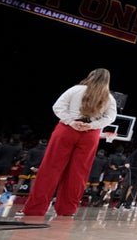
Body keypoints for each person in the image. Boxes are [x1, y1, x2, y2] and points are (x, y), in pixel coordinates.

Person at [19, 68, 117, 216]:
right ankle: (67, 210)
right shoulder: (109, 98)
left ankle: (34, 209)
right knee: (79, 173)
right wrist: (91, 125)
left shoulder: (76, 89)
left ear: (90, 76)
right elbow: (110, 118)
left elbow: (57, 107)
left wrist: (71, 122)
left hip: (67, 130)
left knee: (50, 169)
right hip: (90, 134)